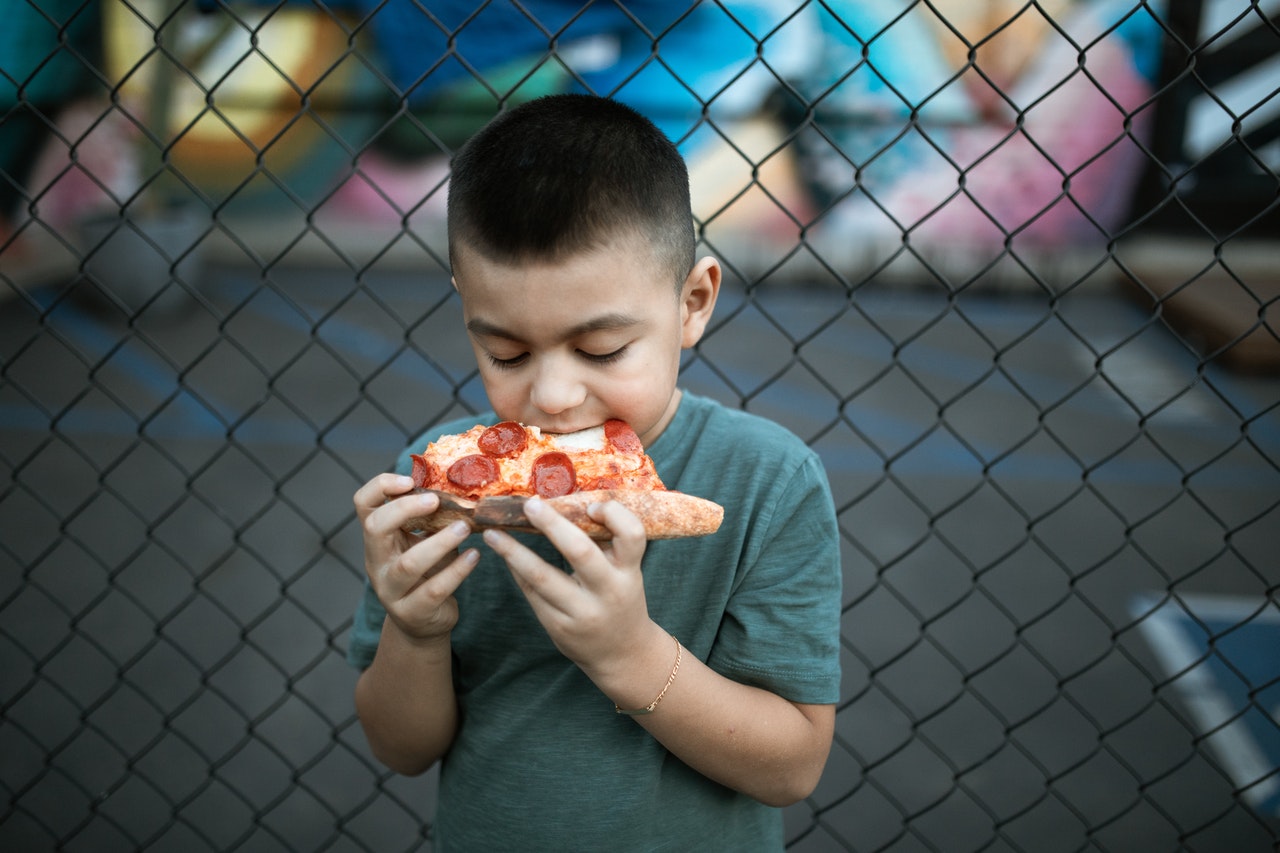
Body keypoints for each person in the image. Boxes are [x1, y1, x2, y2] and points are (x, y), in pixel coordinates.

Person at [348, 93, 842, 851]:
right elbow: (402, 748)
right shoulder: (441, 488)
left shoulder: (767, 481)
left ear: (693, 301)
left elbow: (792, 767)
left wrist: (630, 656)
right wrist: (414, 631)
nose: (551, 397)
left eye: (602, 350)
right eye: (506, 352)